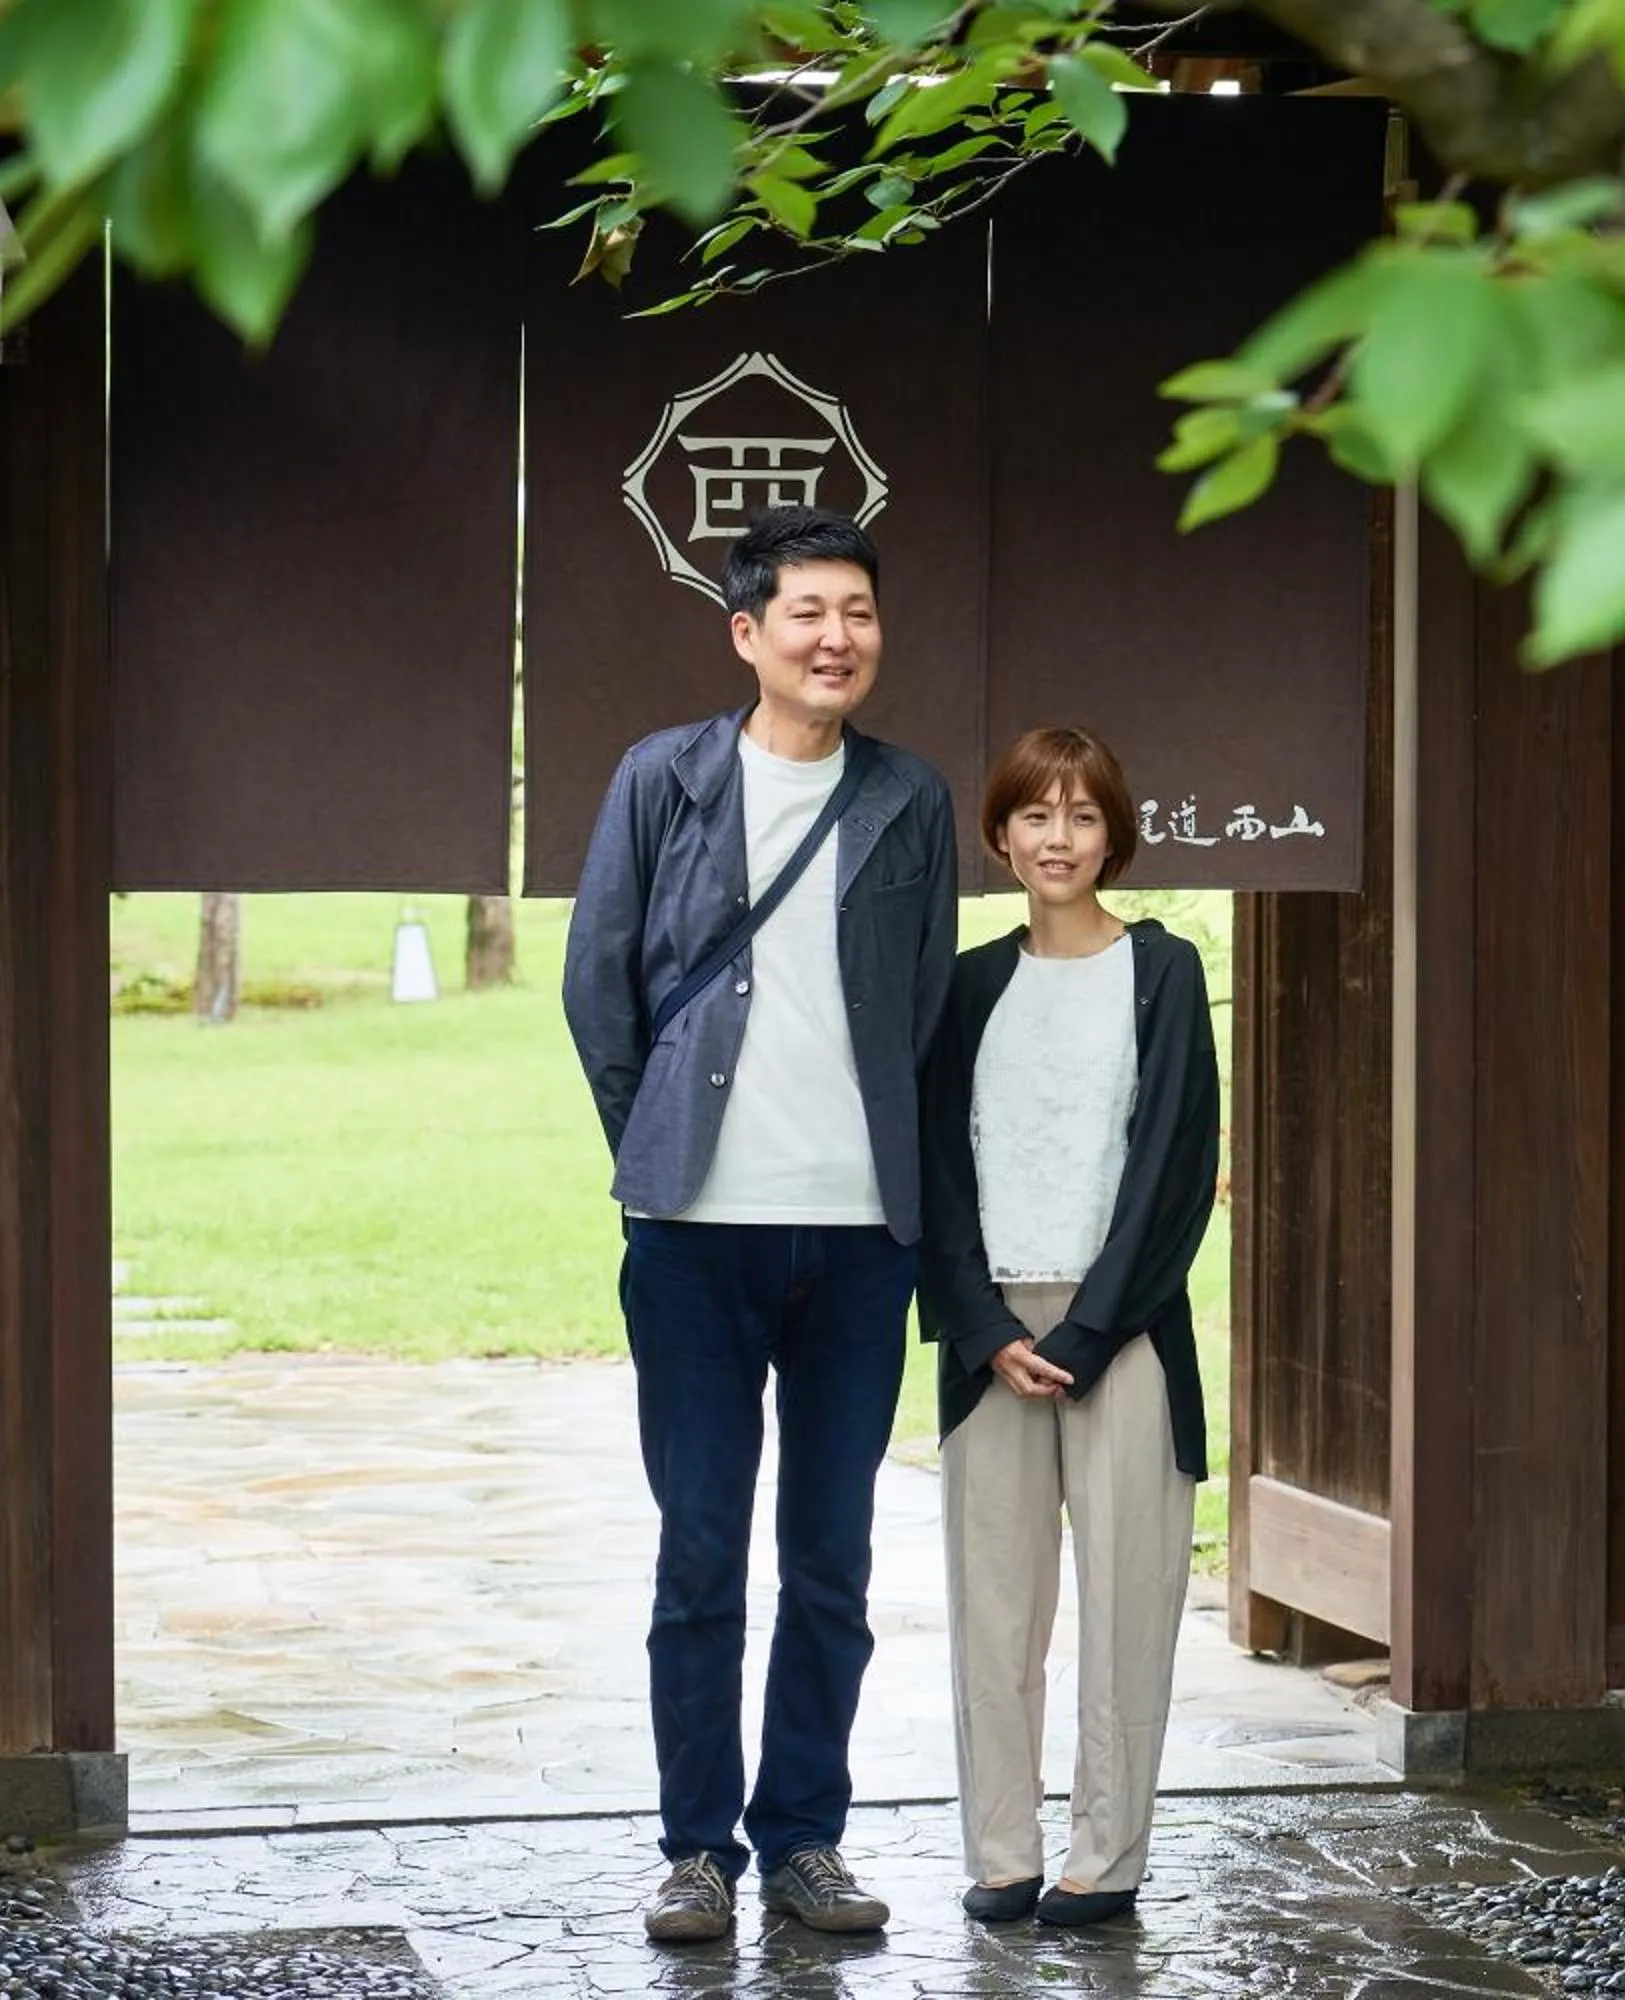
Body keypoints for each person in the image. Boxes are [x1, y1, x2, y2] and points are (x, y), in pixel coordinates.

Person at [563, 505, 958, 1946]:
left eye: (857, 610)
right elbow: (600, 989)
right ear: (748, 631)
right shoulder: (662, 778)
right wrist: (661, 1142)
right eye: (806, 612)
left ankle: (804, 1840)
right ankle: (694, 1851)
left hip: (861, 1241)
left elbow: (921, 1017)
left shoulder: (908, 797)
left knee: (834, 1559)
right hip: (693, 1240)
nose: (836, 636)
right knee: (699, 1553)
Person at [915, 725, 1219, 1930]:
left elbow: (1175, 1164)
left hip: (1124, 1328)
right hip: (989, 1332)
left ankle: (1107, 1853)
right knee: (995, 1603)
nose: (1058, 837)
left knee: (1127, 1595)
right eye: (1035, 815)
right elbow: (938, 1163)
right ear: (1000, 834)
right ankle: (1001, 1849)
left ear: (1114, 835)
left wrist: (1090, 1329)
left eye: (1083, 815)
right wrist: (985, 1324)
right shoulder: (971, 980)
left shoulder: (1165, 969)